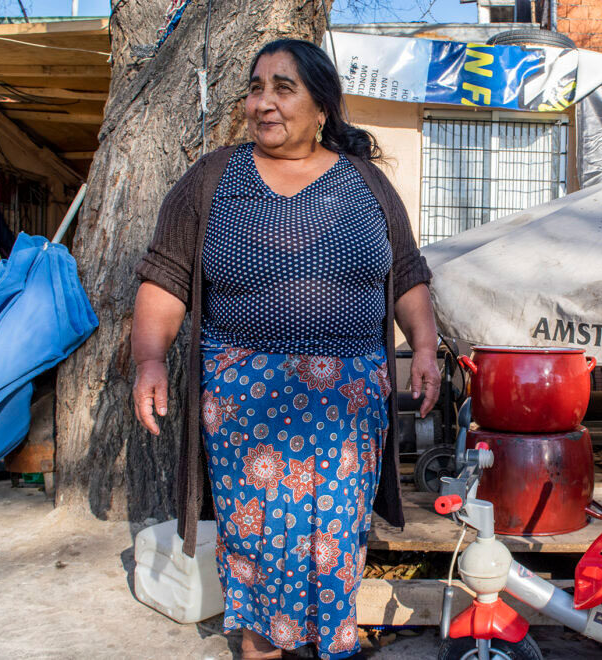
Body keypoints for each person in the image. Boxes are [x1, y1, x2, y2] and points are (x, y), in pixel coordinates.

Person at [130, 38, 440, 660]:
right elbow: (164, 277)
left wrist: (426, 350)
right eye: (255, 88)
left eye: (282, 88)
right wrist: (151, 359)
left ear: (321, 105)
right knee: (260, 553)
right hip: (247, 408)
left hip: (345, 412)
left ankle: (327, 645)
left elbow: (406, 275)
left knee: (332, 545)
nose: (262, 103)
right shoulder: (212, 181)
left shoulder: (367, 185)